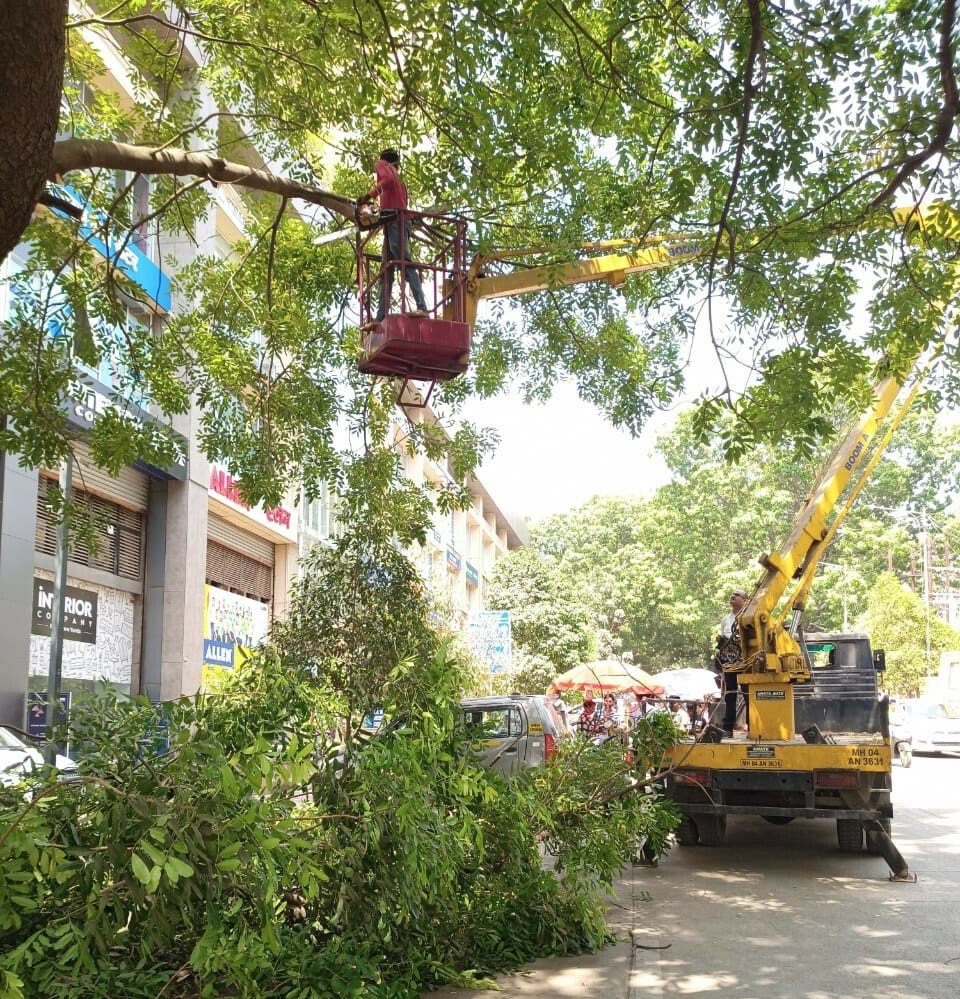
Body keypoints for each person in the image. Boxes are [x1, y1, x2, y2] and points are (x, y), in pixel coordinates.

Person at [358, 148, 428, 327]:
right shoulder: (401, 181)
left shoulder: (385, 168)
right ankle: (381, 317)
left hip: (396, 220)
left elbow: (386, 181)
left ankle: (422, 306)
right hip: (394, 222)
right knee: (386, 269)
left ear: (385, 163)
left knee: (404, 261)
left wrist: (368, 196)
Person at [715, 587, 748, 735]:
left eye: (737, 595)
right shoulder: (726, 619)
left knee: (748, 694)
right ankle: (728, 728)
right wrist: (721, 640)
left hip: (746, 661)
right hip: (729, 662)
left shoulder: (748, 616)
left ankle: (753, 727)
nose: (733, 596)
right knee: (730, 694)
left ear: (745, 600)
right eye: (732, 594)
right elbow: (724, 640)